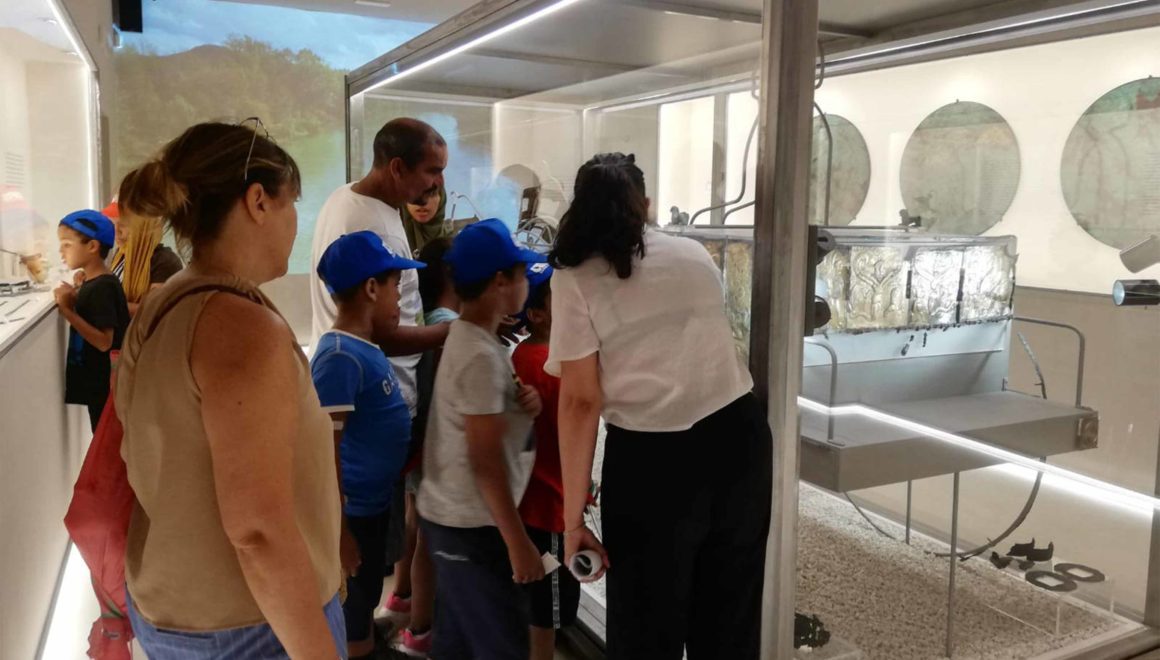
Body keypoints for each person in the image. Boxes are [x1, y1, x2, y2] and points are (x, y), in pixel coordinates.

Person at [115, 121, 345, 659]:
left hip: (175, 605)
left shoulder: (165, 302)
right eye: (292, 203)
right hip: (252, 625)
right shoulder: (242, 327)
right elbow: (258, 533)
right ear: (258, 201)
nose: (296, 221)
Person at [547, 153, 772, 660]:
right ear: (644, 204)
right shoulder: (692, 253)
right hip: (741, 439)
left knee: (646, 628)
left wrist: (573, 521)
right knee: (731, 622)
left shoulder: (575, 277)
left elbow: (581, 401)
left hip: (653, 463)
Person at [310, 119, 451, 601]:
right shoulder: (365, 221)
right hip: (377, 395)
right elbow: (384, 333)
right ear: (396, 167)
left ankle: (367, 623)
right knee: (362, 555)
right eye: (431, 171)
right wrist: (452, 332)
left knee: (374, 549)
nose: (437, 183)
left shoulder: (358, 202)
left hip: (381, 400)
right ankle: (359, 631)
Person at [417, 218, 546, 660]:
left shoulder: (472, 337)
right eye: (522, 273)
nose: (527, 284)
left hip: (456, 521)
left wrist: (522, 405)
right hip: (470, 527)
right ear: (499, 282)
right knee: (501, 643)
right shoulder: (479, 356)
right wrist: (518, 543)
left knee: (457, 641)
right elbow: (485, 462)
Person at [311, 231, 426, 659]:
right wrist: (339, 532)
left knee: (366, 592)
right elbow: (322, 450)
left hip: (372, 506)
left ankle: (363, 641)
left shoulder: (364, 347)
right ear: (372, 288)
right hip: (352, 513)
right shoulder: (340, 357)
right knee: (353, 600)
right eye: (397, 287)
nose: (400, 299)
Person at [384, 235, 458, 657]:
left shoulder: (428, 319)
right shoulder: (449, 327)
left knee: (414, 521)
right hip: (438, 448)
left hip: (420, 441)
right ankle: (421, 629)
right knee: (428, 537)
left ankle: (402, 597)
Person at [511, 262, 581, 660]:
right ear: (537, 314)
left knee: (536, 599)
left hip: (531, 501)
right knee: (547, 608)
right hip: (550, 505)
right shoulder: (549, 367)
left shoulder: (522, 355)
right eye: (560, 296)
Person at [55, 209, 130, 431]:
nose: (61, 251)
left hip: (105, 384)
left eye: (67, 244)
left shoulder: (103, 287)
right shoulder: (96, 283)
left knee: (105, 436)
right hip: (100, 383)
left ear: (92, 246)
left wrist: (67, 311)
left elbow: (104, 342)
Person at [104, 195, 183, 316]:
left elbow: (154, 311)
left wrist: (107, 304)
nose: (116, 231)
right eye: (112, 223)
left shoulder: (165, 261)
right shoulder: (121, 254)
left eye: (123, 224)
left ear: (144, 225)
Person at [401, 185, 451, 258]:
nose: (422, 202)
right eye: (414, 193)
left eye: (431, 194)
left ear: (441, 198)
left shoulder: (455, 247)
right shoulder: (390, 240)